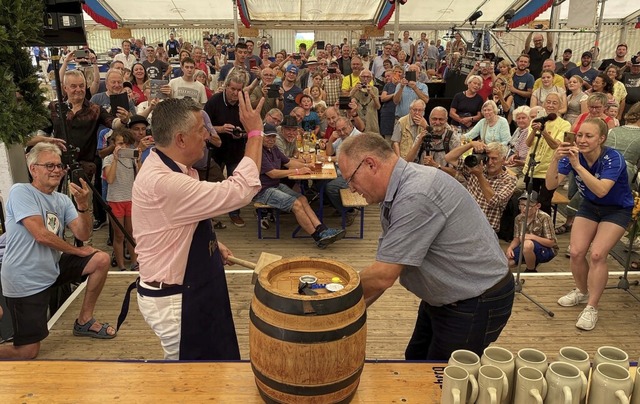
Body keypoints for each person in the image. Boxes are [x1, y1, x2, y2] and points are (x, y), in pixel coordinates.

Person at [337, 133, 514, 360]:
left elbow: (383, 276)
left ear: (370, 164)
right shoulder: (398, 191)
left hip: (475, 301)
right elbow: (387, 269)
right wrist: (348, 312)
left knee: (439, 384)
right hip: (444, 298)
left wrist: (333, 304)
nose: (351, 188)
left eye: (351, 178)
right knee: (415, 361)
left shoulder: (416, 194)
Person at [132, 94, 264, 360]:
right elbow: (240, 191)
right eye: (201, 129)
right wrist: (255, 133)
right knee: (193, 380)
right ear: (180, 139)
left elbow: (178, 221)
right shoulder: (165, 182)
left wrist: (210, 243)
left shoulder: (167, 164)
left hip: (191, 290)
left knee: (214, 367)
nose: (208, 135)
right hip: (178, 300)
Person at [0, 143, 114, 360]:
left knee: (100, 259)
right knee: (27, 351)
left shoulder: (61, 200)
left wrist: (83, 205)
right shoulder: (21, 191)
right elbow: (41, 235)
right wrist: (77, 252)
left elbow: (83, 234)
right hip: (25, 279)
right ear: (33, 169)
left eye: (60, 166)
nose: (56, 170)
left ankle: (84, 321)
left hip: (51, 269)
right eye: (49, 165)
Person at [546, 118, 633, 331]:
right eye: (580, 135)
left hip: (617, 209)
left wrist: (577, 165)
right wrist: (555, 160)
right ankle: (582, 291)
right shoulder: (572, 155)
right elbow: (550, 184)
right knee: (576, 252)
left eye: (588, 136)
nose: (582, 140)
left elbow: (602, 189)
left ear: (601, 138)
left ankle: (592, 306)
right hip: (590, 205)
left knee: (597, 254)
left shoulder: (613, 158)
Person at [254, 124, 346, 246]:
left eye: (273, 137)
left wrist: (307, 166)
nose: (271, 139)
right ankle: (318, 238)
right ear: (261, 137)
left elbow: (289, 162)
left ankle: (322, 229)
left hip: (275, 186)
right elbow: (273, 174)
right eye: (268, 137)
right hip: (263, 191)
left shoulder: (274, 149)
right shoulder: (259, 152)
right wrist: (298, 171)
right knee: (296, 204)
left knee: (302, 198)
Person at [445, 141, 517, 232]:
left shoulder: (509, 179)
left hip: (486, 228)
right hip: (466, 221)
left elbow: (494, 202)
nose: (490, 163)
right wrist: (470, 144)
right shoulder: (476, 168)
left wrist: (479, 176)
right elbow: (448, 158)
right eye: (488, 158)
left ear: (503, 160)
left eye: (494, 159)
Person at [506, 191, 558, 272]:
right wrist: (510, 248)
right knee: (508, 263)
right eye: (521, 205)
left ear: (538, 206)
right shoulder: (518, 218)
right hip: (525, 247)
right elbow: (516, 238)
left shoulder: (544, 217)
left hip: (546, 249)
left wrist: (532, 237)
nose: (524, 209)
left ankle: (531, 270)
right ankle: (529, 259)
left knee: (527, 244)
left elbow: (552, 243)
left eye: (528, 206)